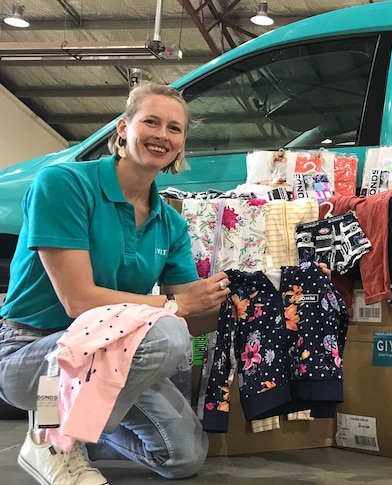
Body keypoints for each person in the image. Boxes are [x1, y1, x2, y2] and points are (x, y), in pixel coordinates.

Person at [0, 82, 230, 484]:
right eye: (151, 122)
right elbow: (78, 301)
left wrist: (242, 306)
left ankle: (81, 435)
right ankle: (51, 437)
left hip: (109, 357)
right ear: (123, 129)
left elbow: (193, 312)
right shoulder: (63, 184)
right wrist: (177, 308)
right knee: (166, 335)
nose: (163, 135)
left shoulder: (171, 223)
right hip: (34, 354)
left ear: (181, 144)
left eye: (174, 128)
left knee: (182, 457)